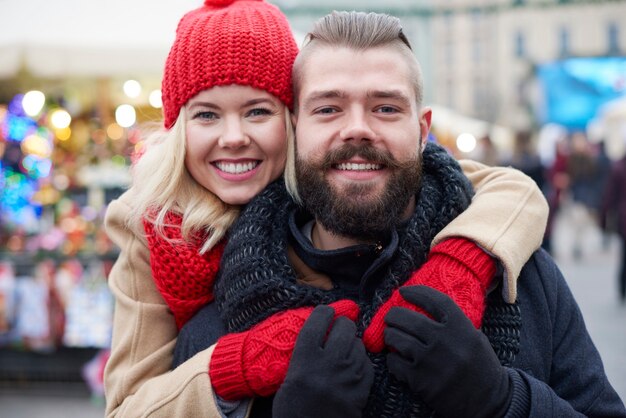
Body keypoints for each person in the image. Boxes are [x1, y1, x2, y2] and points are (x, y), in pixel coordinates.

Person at [103, 2, 550, 417]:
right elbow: (126, 405)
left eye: (257, 111)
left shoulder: (332, 177)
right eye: (205, 115)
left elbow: (509, 188)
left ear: (289, 122)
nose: (234, 135)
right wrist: (235, 367)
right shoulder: (156, 231)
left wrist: (465, 263)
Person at [600, 150, 626, 301]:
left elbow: (609, 196)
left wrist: (604, 218)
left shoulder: (619, 167)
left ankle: (622, 286)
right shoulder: (618, 168)